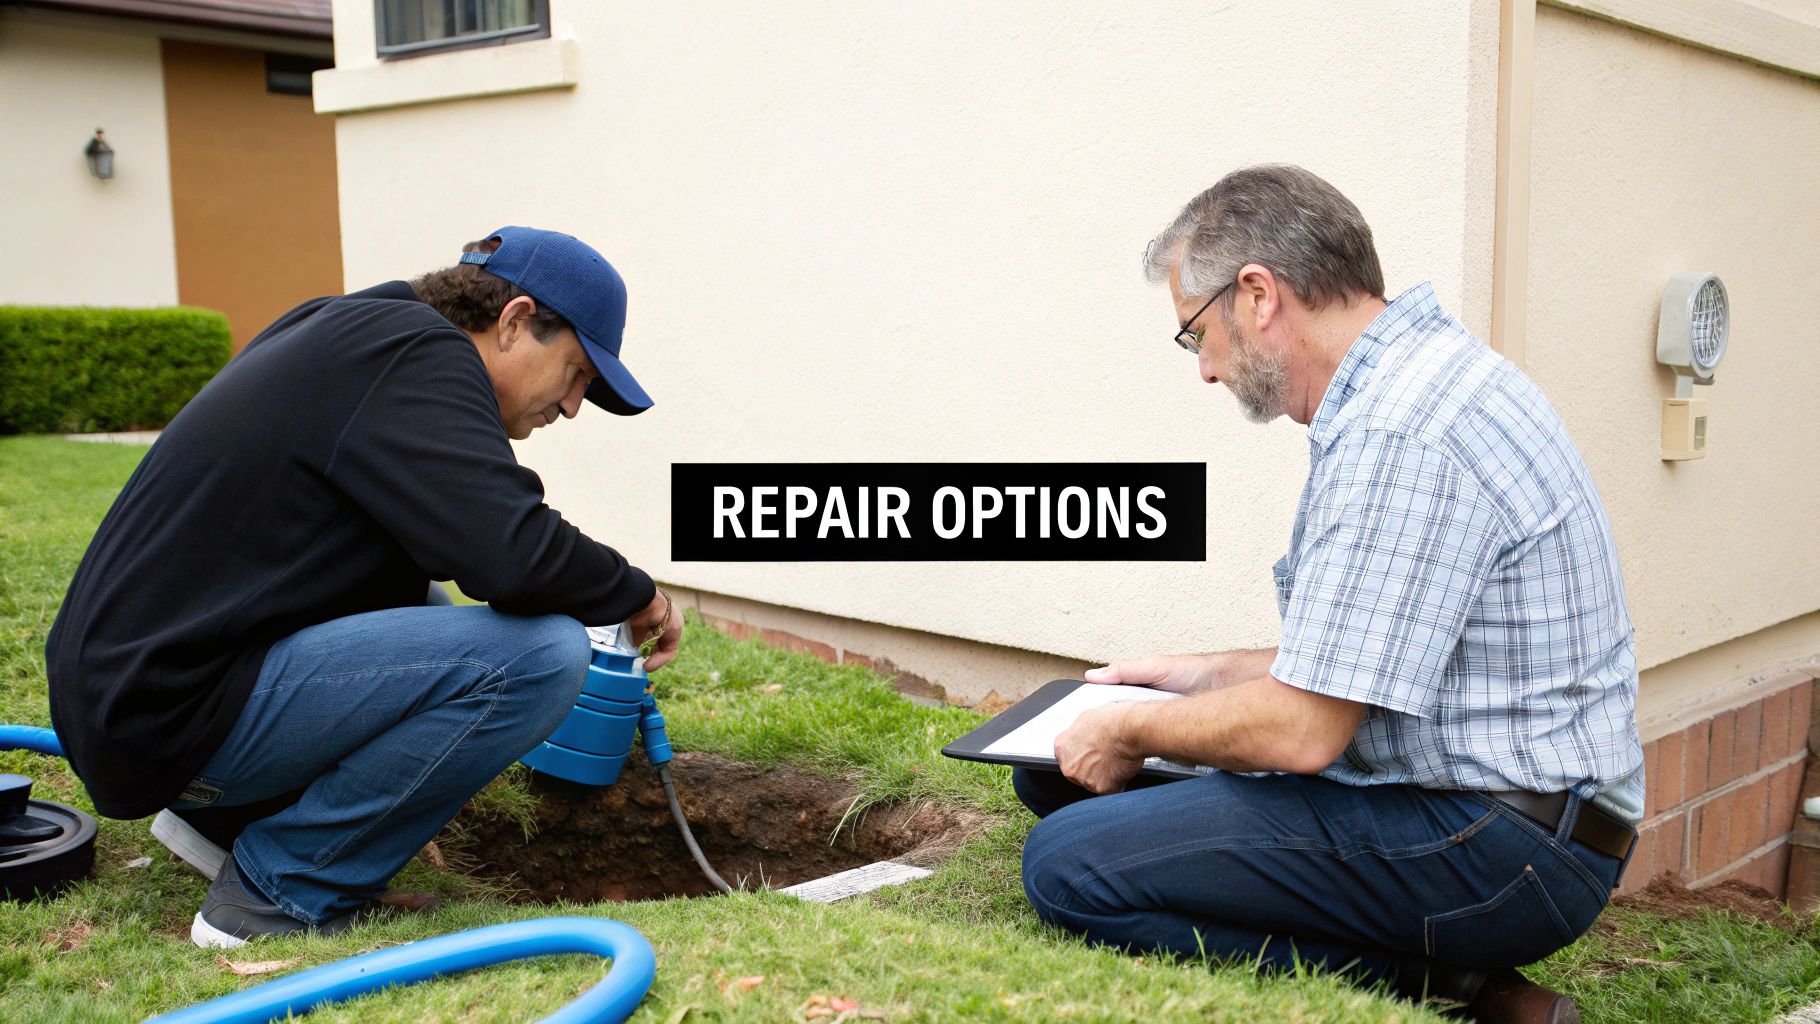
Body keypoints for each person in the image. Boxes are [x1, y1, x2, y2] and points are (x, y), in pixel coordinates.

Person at [1017, 166, 1641, 1024]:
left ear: (1258, 295)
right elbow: (1376, 651)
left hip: (1502, 848)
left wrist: (1130, 723)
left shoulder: (1401, 433)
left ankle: (1455, 992)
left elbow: (1305, 730)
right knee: (1052, 782)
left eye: (1196, 332)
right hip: (1503, 806)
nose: (1203, 369)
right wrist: (1198, 676)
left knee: (1066, 865)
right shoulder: (1416, 381)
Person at [45, 227, 682, 949]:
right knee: (540, 657)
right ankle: (277, 889)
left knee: (427, 605)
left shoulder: (354, 332)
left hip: (135, 699)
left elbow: (468, 536)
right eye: (576, 375)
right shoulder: (416, 356)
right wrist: (635, 594)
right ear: (514, 321)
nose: (571, 407)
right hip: (167, 714)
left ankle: (219, 825)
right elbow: (510, 553)